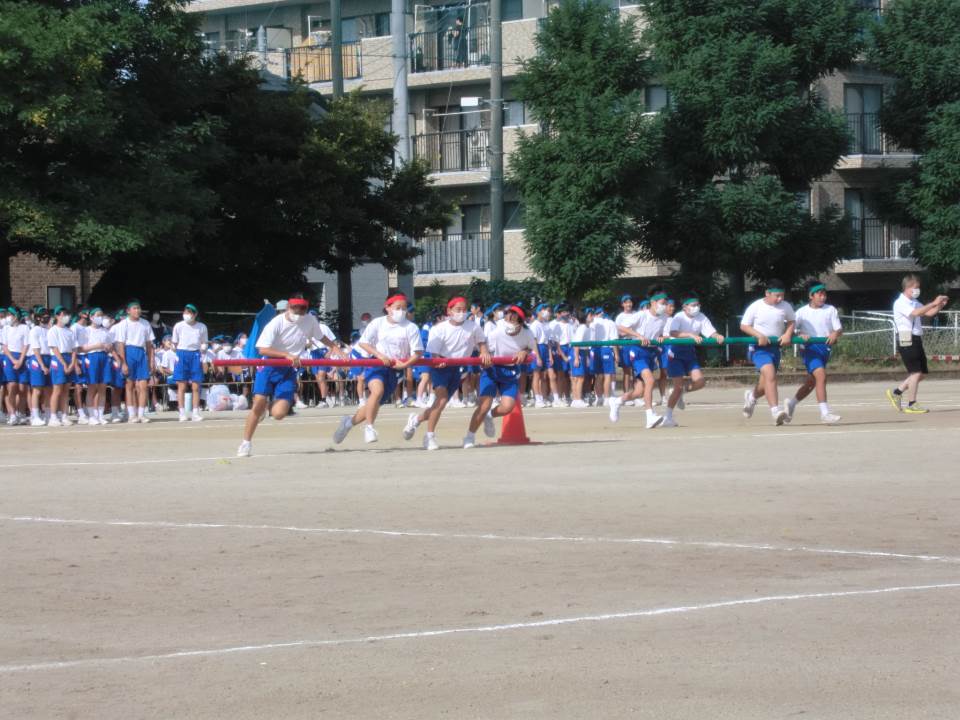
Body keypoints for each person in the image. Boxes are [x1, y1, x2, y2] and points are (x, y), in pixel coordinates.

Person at [238, 296, 343, 457]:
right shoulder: (276, 323)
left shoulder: (309, 320)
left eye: (303, 308)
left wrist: (336, 348)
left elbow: (321, 337)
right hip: (269, 365)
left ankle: (268, 407)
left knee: (279, 414)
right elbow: (262, 349)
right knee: (258, 402)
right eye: (295, 308)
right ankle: (246, 442)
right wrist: (286, 355)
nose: (299, 312)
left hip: (288, 369)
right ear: (288, 307)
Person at [333, 294, 423, 445]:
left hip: (395, 369)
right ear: (388, 308)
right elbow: (364, 343)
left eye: (404, 308)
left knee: (373, 404)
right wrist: (379, 355)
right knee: (377, 391)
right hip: (376, 364)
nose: (401, 311)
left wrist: (405, 364)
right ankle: (369, 427)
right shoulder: (378, 323)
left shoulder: (411, 327)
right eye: (397, 308)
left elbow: (418, 352)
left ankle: (348, 423)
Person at [402, 296, 491, 450]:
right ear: (449, 311)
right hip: (440, 367)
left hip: (457, 367)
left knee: (438, 405)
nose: (461, 313)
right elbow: (433, 352)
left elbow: (481, 342)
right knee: (441, 401)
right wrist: (438, 360)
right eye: (458, 310)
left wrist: (484, 352)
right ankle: (429, 437)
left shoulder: (473, 326)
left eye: (464, 309)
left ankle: (415, 419)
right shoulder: (439, 328)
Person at [464, 305, 534, 448]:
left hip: (510, 371)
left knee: (507, 407)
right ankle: (469, 437)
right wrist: (485, 355)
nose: (509, 317)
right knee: (483, 405)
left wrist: (524, 351)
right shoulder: (496, 330)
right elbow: (484, 348)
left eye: (514, 316)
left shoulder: (527, 333)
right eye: (508, 314)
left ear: (520, 321)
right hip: (492, 368)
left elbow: (530, 347)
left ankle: (489, 415)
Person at [778, 283, 843, 424]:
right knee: (821, 376)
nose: (823, 297)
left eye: (824, 294)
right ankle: (825, 413)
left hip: (824, 349)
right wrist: (800, 333)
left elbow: (838, 329)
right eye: (819, 294)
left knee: (811, 382)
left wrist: (834, 333)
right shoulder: (801, 312)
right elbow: (791, 328)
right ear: (811, 296)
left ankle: (791, 404)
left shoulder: (830, 310)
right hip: (809, 349)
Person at [886, 274, 949, 414]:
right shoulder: (900, 302)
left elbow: (928, 313)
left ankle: (897, 392)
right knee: (915, 372)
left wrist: (939, 306)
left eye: (918, 288)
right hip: (906, 337)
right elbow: (916, 313)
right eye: (915, 288)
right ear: (907, 287)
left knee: (922, 373)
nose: (917, 290)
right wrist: (933, 302)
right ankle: (911, 403)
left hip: (916, 337)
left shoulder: (914, 301)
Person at [608, 288, 670, 429]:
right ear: (653, 303)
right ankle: (649, 416)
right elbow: (621, 327)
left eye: (666, 303)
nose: (664, 306)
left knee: (639, 392)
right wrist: (638, 336)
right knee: (650, 380)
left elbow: (665, 334)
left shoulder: (664, 317)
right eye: (662, 303)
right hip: (637, 351)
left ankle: (617, 401)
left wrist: (662, 337)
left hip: (651, 352)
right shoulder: (642, 315)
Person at [662, 294, 725, 428]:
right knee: (677, 387)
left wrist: (717, 335)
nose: (696, 307)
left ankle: (681, 392)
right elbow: (673, 332)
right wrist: (690, 335)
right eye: (693, 305)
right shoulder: (679, 316)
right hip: (676, 352)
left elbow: (710, 331)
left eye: (698, 305)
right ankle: (667, 417)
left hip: (689, 353)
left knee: (700, 381)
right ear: (685, 307)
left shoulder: (701, 317)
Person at [740, 280, 796, 426]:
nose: (780, 299)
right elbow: (744, 325)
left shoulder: (786, 306)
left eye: (782, 295)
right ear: (767, 293)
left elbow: (791, 321)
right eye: (777, 296)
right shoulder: (756, 306)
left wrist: (787, 334)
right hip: (758, 349)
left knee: (766, 384)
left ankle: (751, 397)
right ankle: (775, 411)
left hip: (775, 348)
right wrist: (759, 335)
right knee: (770, 375)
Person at [114, 300, 156, 423]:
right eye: (134, 308)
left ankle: (141, 414)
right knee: (130, 385)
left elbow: (149, 344)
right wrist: (124, 363)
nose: (137, 310)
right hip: (129, 352)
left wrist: (150, 361)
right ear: (128, 311)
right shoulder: (123, 324)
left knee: (143, 385)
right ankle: (131, 414)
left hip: (141, 353)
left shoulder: (145, 323)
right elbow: (120, 344)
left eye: (138, 308)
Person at [171, 303, 208, 422]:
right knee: (181, 386)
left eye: (190, 312)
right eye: (185, 312)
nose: (187, 314)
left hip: (196, 354)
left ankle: (195, 412)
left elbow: (205, 342)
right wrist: (176, 354)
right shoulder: (178, 326)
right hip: (182, 354)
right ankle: (182, 413)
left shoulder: (202, 327)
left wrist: (203, 348)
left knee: (196, 386)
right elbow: (174, 343)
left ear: (195, 314)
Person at [47, 306, 78, 426]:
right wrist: (64, 363)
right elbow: (54, 348)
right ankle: (53, 417)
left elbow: (74, 348)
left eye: (67, 314)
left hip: (69, 357)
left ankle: (64, 415)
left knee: (66, 389)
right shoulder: (53, 330)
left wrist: (72, 363)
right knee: (57, 389)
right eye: (63, 314)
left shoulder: (70, 331)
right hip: (58, 359)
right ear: (57, 316)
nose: (66, 316)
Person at [81, 307, 112, 425]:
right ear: (91, 317)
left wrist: (108, 348)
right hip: (91, 357)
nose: (100, 317)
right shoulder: (86, 330)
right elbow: (80, 348)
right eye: (98, 315)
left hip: (104, 358)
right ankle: (92, 415)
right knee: (92, 387)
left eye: (101, 315)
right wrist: (96, 346)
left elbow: (109, 346)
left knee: (103, 387)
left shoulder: (105, 331)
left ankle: (100, 415)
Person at [2, 307, 31, 425]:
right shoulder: (5, 329)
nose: (9, 317)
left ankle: (21, 413)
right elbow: (5, 347)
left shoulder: (24, 328)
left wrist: (20, 360)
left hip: (22, 357)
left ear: (16, 316)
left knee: (23, 388)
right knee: (12, 386)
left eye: (11, 315)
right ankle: (12, 414)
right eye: (8, 315)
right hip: (9, 358)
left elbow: (26, 345)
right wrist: (13, 360)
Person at [27, 307, 53, 426]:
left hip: (49, 358)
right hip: (37, 359)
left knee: (49, 389)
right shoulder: (35, 330)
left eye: (47, 315)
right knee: (37, 389)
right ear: (38, 318)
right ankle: (35, 416)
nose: (46, 317)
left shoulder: (50, 330)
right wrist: (42, 365)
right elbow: (36, 349)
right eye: (44, 315)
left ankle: (48, 415)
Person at [591, 304, 618, 407]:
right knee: (607, 375)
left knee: (599, 375)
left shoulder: (592, 322)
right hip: (606, 348)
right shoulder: (610, 322)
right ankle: (606, 398)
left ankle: (599, 398)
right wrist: (616, 353)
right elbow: (613, 339)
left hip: (594, 348)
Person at [529, 303, 555, 408]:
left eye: (546, 310)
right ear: (538, 311)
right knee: (536, 375)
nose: (546, 312)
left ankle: (544, 398)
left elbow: (548, 342)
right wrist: (538, 356)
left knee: (543, 376)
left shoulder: (545, 324)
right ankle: (538, 399)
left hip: (544, 348)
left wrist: (550, 356)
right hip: (537, 349)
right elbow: (534, 342)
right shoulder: (534, 325)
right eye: (543, 309)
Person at [614, 295, 639, 400]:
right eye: (626, 302)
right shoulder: (620, 317)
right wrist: (627, 332)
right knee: (627, 371)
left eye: (630, 302)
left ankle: (637, 395)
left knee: (637, 370)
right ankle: (626, 395)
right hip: (625, 344)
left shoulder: (636, 315)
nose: (628, 304)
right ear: (622, 304)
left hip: (636, 343)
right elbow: (618, 332)